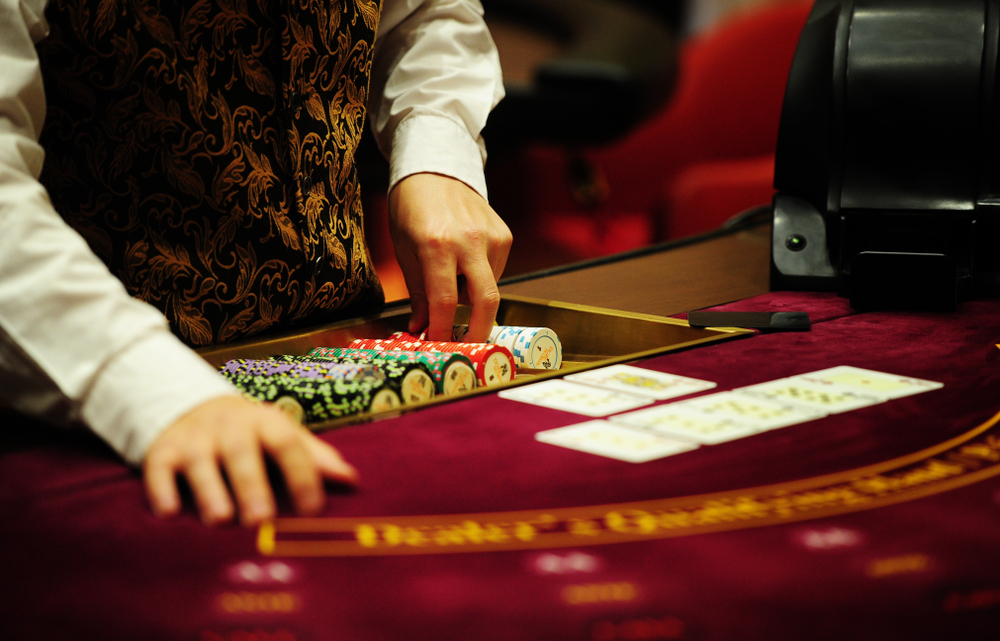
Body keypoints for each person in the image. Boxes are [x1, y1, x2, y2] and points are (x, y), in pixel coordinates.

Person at [0, 0, 511, 526]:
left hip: (348, 354)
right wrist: (147, 387)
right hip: (94, 407)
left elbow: (427, 13)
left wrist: (436, 153)